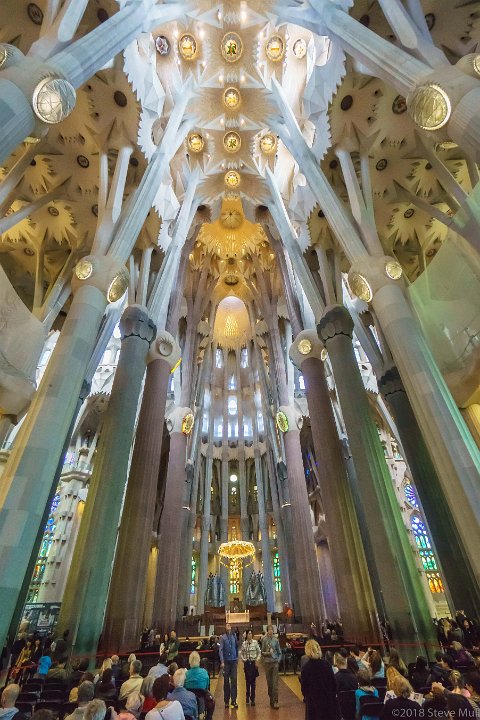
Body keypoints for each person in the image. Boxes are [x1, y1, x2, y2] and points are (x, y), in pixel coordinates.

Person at [301, 640, 337, 720]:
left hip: (313, 704)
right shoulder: (327, 665)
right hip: (328, 703)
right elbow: (333, 684)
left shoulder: (306, 668)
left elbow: (304, 689)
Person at [261, 624, 282, 710]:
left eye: (272, 629)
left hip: (275, 663)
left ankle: (276, 701)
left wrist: (278, 661)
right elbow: (262, 652)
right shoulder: (264, 640)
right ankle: (271, 698)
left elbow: (279, 652)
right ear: (267, 631)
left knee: (275, 683)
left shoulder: (276, 640)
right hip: (267, 663)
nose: (270, 631)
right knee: (269, 683)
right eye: (269, 629)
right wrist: (268, 653)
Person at [240, 630, 261, 706]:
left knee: (253, 682)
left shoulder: (255, 643)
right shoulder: (244, 644)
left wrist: (257, 660)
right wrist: (244, 660)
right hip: (247, 664)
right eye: (249, 634)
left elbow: (259, 652)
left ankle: (253, 699)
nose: (250, 635)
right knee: (247, 681)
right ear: (246, 635)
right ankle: (247, 696)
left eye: (251, 633)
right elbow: (241, 653)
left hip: (253, 663)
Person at [219, 624, 238, 709]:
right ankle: (226, 701)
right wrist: (222, 661)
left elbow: (236, 647)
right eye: (227, 625)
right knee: (226, 682)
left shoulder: (234, 636)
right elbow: (221, 650)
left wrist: (237, 657)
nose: (228, 627)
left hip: (233, 661)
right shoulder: (223, 638)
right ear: (225, 628)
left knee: (234, 680)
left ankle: (234, 700)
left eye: (230, 625)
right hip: (226, 662)